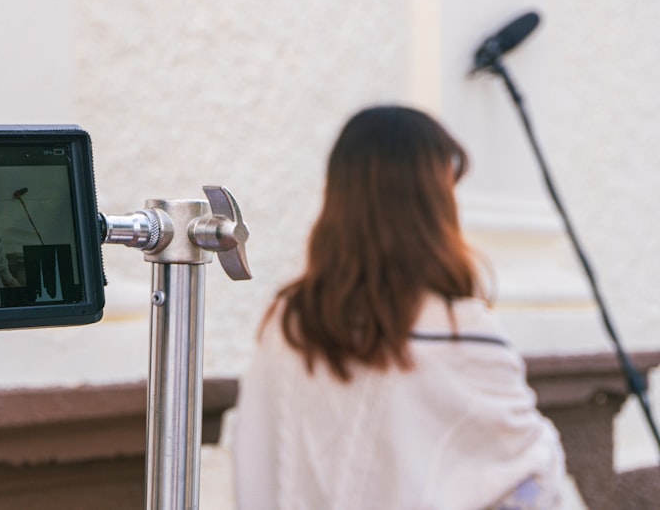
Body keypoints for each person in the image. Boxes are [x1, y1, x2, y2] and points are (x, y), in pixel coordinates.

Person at [233, 105, 567, 509]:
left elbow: (254, 466)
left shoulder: (291, 323)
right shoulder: (461, 332)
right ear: (432, 204)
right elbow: (529, 481)